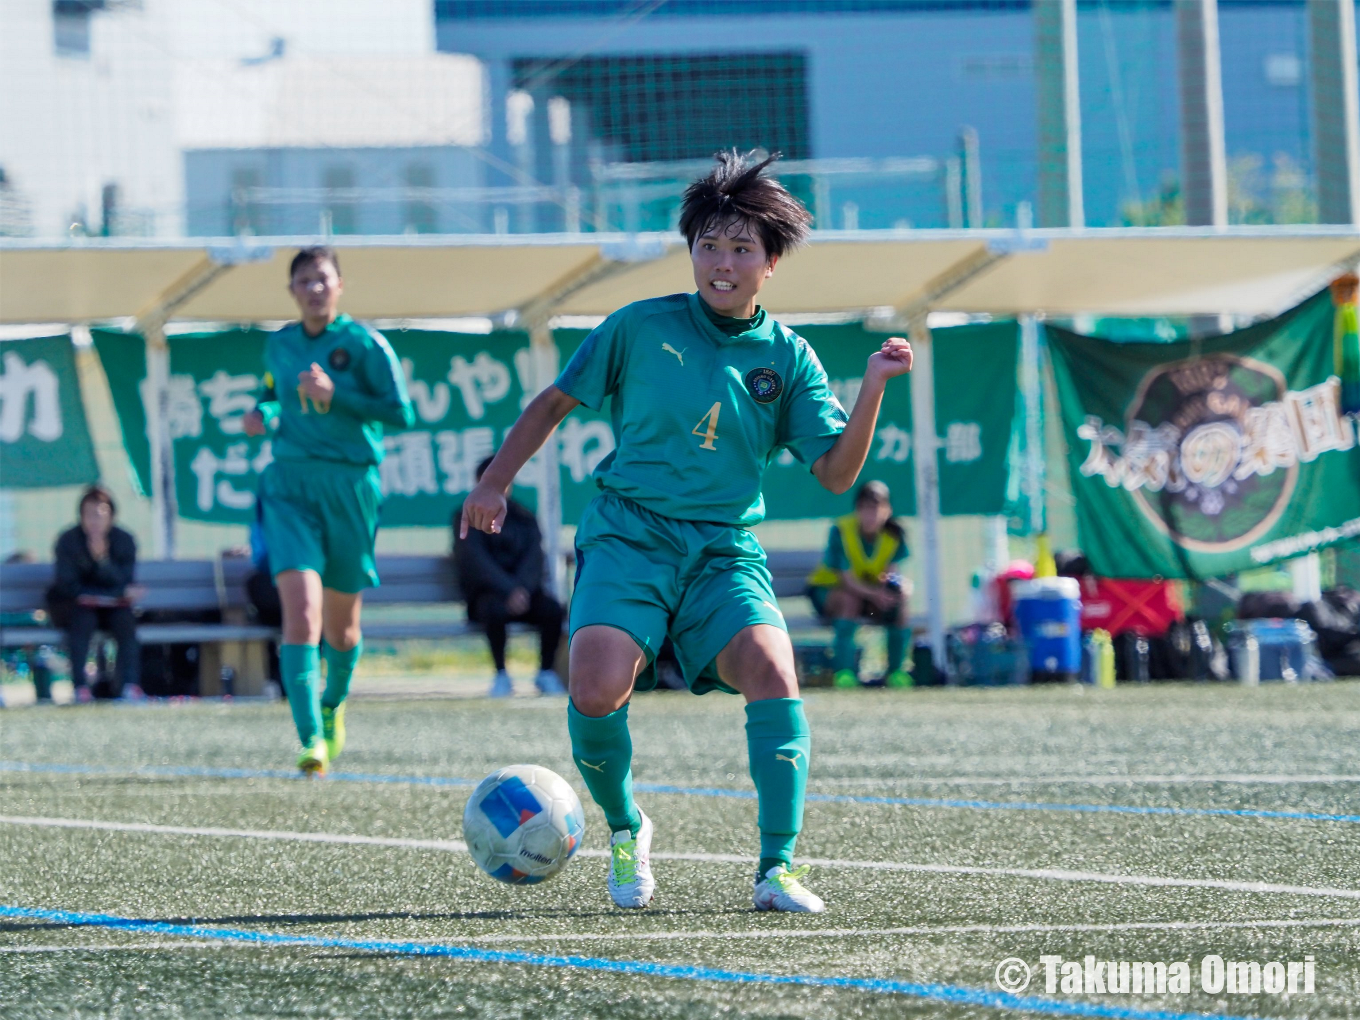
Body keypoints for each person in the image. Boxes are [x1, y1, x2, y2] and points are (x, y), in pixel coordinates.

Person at [461, 151, 913, 914]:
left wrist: (871, 386)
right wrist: (494, 481)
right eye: (709, 245)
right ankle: (626, 825)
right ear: (691, 251)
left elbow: (836, 475)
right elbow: (553, 403)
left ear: (770, 263)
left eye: (741, 248)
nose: (722, 262)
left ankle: (777, 868)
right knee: (594, 688)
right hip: (628, 537)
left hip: (723, 551)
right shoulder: (639, 326)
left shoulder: (788, 358)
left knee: (774, 671)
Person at [243, 246, 414, 776]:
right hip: (289, 487)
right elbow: (273, 394)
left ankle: (333, 702)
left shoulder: (365, 344)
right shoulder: (279, 345)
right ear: (291, 291)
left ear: (339, 285)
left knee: (341, 633)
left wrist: (336, 394)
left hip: (350, 488)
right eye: (304, 281)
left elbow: (401, 413)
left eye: (322, 279)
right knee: (301, 614)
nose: (314, 289)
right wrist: (262, 412)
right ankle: (310, 739)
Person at [454, 456, 566, 698]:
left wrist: (522, 590)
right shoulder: (466, 517)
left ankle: (546, 672)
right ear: (479, 483)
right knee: (492, 610)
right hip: (489, 594)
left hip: (526, 594)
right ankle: (501, 674)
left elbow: (534, 558)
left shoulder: (524, 516)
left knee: (553, 610)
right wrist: (508, 590)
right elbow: (475, 561)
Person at [806, 480, 912, 689]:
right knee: (849, 600)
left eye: (877, 508)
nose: (871, 515)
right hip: (829, 593)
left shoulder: (893, 535)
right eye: (865, 508)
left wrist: (900, 589)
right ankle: (844, 673)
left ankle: (896, 672)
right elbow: (846, 580)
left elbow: (891, 575)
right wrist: (875, 594)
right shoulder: (842, 530)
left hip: (868, 595)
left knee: (899, 606)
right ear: (857, 510)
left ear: (888, 510)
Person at [48, 486, 141, 702]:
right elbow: (66, 584)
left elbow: (125, 581)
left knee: (125, 620)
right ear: (81, 516)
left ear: (111, 516)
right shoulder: (68, 541)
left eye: (100, 514)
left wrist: (102, 560)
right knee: (83, 620)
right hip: (77, 607)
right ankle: (80, 686)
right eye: (89, 514)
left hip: (113, 608)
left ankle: (130, 685)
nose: (95, 521)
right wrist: (94, 594)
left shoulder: (124, 540)